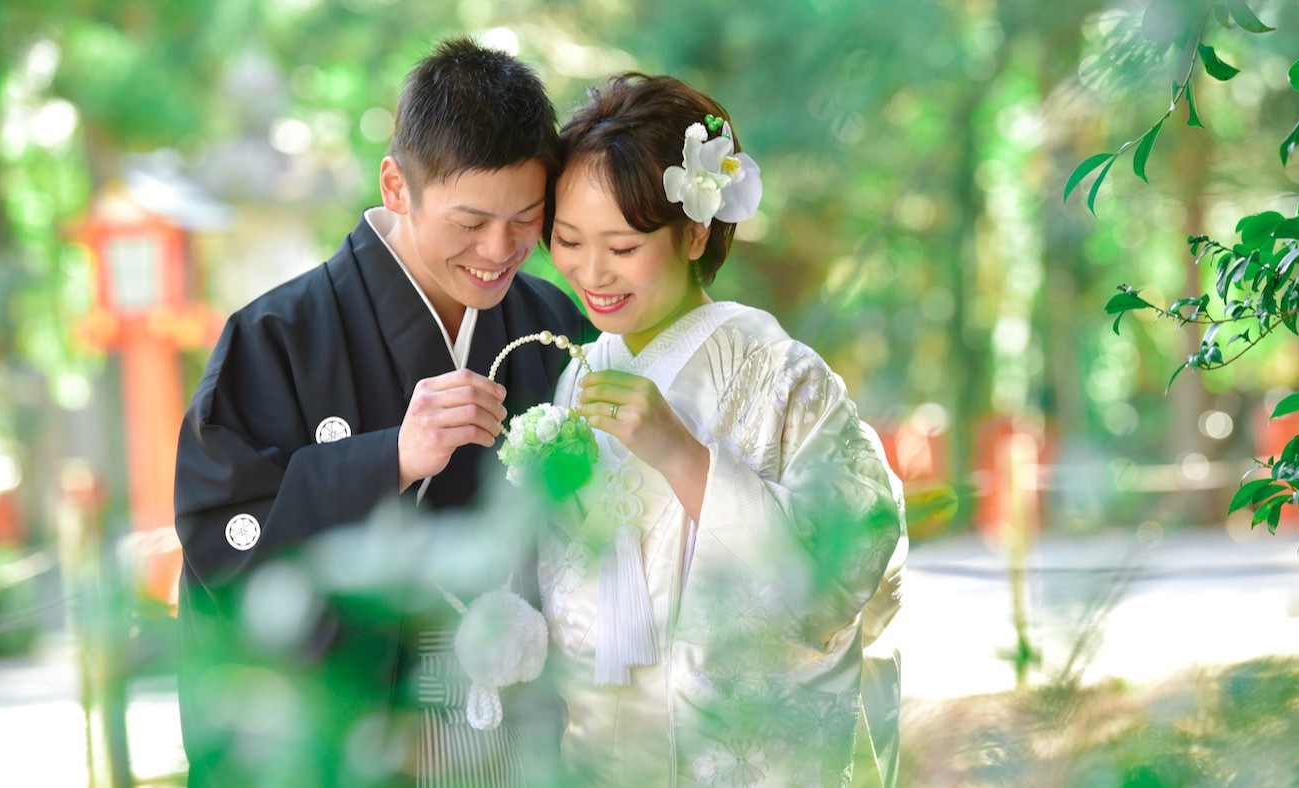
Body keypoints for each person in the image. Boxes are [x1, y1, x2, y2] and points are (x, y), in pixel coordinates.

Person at [174, 37, 586, 785]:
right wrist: (386, 457)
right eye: (470, 222)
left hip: (515, 730)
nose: (500, 250)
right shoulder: (276, 336)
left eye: (525, 218)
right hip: (355, 732)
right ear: (397, 185)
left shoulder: (550, 326)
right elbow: (225, 540)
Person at [538, 73, 908, 787]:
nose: (590, 272)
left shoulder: (784, 377)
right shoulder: (577, 375)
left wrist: (685, 460)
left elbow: (848, 566)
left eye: (621, 247)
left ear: (696, 230)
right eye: (568, 240)